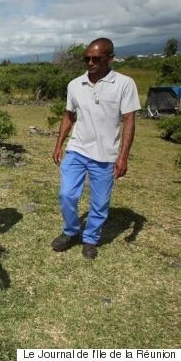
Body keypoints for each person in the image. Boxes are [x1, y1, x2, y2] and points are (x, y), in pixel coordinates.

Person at [51, 38, 140, 259]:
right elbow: (69, 116)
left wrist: (123, 157)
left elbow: (129, 120)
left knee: (100, 203)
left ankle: (90, 238)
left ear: (110, 58)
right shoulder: (75, 84)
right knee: (66, 194)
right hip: (77, 149)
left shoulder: (124, 84)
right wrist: (59, 144)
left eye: (96, 58)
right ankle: (71, 231)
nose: (90, 62)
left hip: (106, 155)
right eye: (87, 58)